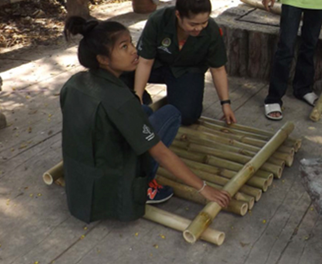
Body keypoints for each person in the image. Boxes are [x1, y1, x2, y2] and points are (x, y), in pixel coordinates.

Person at [60, 16, 230, 224]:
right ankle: (147, 184)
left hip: (85, 174)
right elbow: (160, 153)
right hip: (115, 182)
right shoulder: (122, 101)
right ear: (103, 59)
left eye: (131, 43)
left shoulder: (73, 83)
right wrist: (204, 188)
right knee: (171, 113)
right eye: (124, 47)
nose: (134, 50)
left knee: (144, 111)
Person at [123, 0, 236, 126]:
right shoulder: (158, 20)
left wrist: (225, 104)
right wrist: (138, 97)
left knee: (186, 116)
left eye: (204, 23)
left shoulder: (212, 30)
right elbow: (145, 62)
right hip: (157, 65)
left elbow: (218, 69)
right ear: (178, 15)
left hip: (187, 70)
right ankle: (144, 99)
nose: (199, 28)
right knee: (120, 69)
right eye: (193, 24)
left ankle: (177, 96)